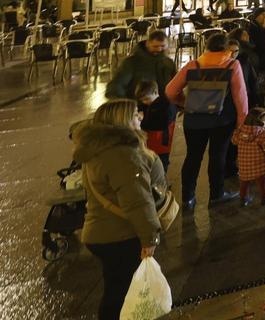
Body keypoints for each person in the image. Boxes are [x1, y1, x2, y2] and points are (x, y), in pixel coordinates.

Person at [74, 99, 166, 320]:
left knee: (116, 287)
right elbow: (137, 201)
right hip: (119, 236)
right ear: (122, 120)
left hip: (101, 231)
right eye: (135, 114)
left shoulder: (98, 150)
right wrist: (150, 238)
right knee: (121, 294)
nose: (140, 117)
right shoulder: (123, 155)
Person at [165, 33, 248, 209]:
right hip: (222, 120)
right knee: (218, 157)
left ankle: (187, 197)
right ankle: (217, 194)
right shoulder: (232, 65)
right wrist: (241, 124)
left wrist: (184, 102)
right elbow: (241, 98)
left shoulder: (193, 65)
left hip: (194, 120)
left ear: (207, 47)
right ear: (226, 49)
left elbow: (170, 91)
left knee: (192, 157)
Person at [106, 30, 177, 99]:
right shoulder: (131, 63)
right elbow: (116, 86)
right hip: (138, 104)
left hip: (163, 104)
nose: (159, 49)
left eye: (162, 46)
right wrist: (126, 104)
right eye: (155, 46)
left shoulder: (169, 63)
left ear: (167, 45)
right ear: (147, 44)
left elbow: (176, 87)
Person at [232, 107, 265, 207]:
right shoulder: (263, 134)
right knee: (262, 183)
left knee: (244, 183)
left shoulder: (240, 131)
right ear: (262, 122)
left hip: (244, 164)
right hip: (260, 165)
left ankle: (243, 199)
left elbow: (234, 141)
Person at [135, 80, 175, 170]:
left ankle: (162, 177)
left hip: (161, 143)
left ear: (155, 92)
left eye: (146, 99)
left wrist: (142, 121)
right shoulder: (147, 105)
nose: (144, 102)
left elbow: (161, 125)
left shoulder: (165, 106)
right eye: (142, 100)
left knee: (161, 165)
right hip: (151, 143)